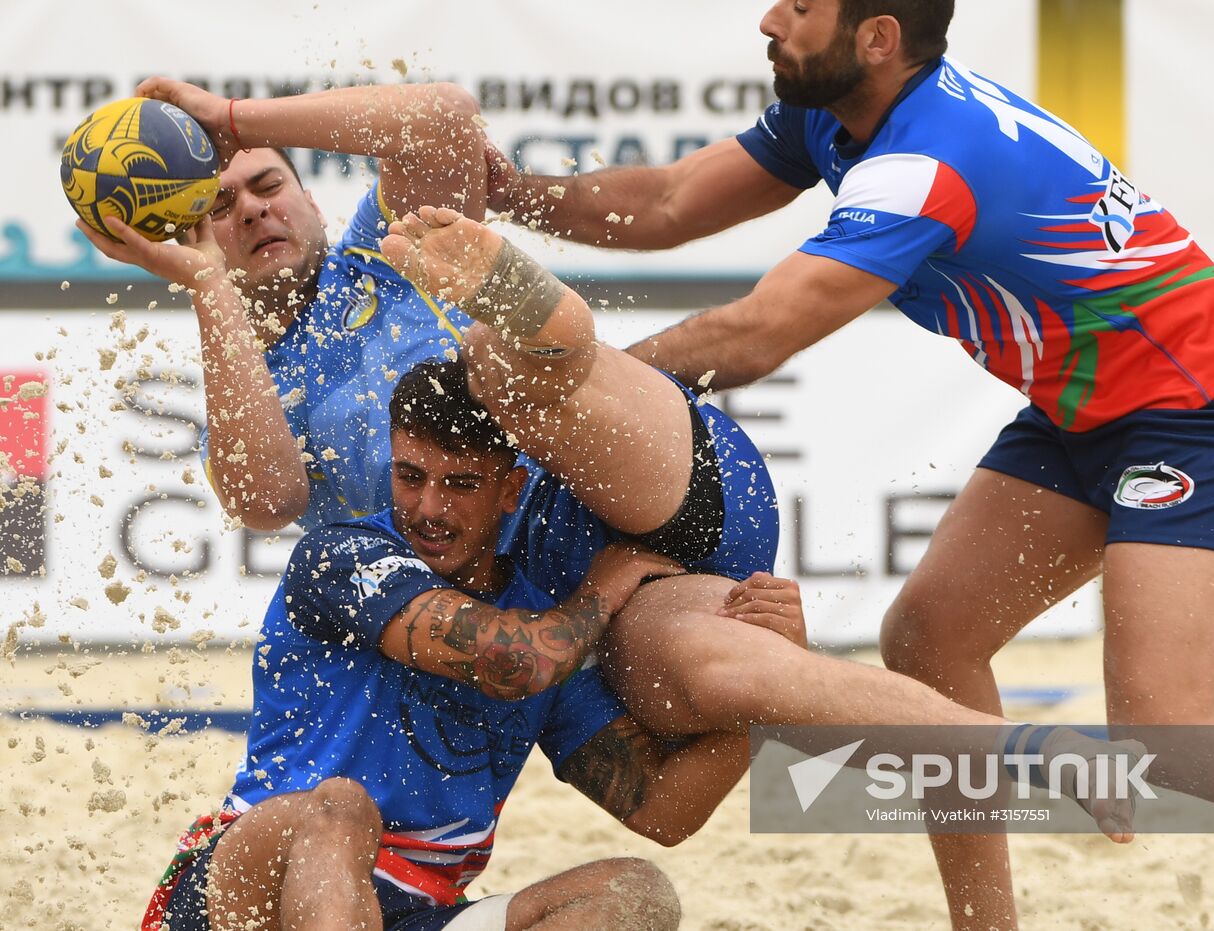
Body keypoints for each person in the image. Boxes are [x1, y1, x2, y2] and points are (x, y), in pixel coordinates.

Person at [473, 0, 1214, 926]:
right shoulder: (839, 108)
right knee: (930, 635)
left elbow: (755, 336)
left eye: (799, 8)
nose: (767, 19)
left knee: (1168, 725)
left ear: (876, 38)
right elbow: (670, 202)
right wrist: (508, 191)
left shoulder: (924, 164)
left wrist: (565, 403)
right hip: (1087, 402)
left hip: (1200, 399)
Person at [87, 75, 1144, 871]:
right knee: (733, 676)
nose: (256, 210)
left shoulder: (383, 241)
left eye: (267, 183)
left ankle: (539, 325)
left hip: (648, 466)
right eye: (221, 211)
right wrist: (203, 292)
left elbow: (442, 121)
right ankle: (1022, 750)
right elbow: (263, 499)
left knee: (502, 384)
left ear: (305, 190)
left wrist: (233, 114)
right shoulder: (253, 370)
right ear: (197, 248)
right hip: (616, 568)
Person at [142, 362, 764, 931]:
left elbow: (665, 809)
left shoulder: (547, 624)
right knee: (340, 808)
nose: (429, 509)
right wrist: (602, 591)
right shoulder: (342, 556)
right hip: (245, 888)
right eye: (410, 477)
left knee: (635, 895)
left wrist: (765, 679)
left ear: (511, 490)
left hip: (418, 909)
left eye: (461, 483)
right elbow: (516, 662)